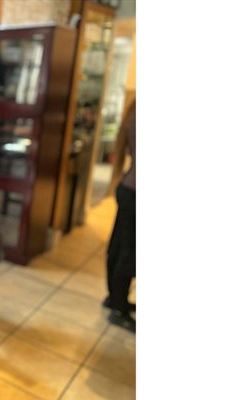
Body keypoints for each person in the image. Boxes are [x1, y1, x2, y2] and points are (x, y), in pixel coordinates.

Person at [103, 99, 136, 332]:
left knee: (119, 248)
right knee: (129, 253)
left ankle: (115, 298)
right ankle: (119, 309)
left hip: (129, 187)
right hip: (135, 192)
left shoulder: (135, 110)